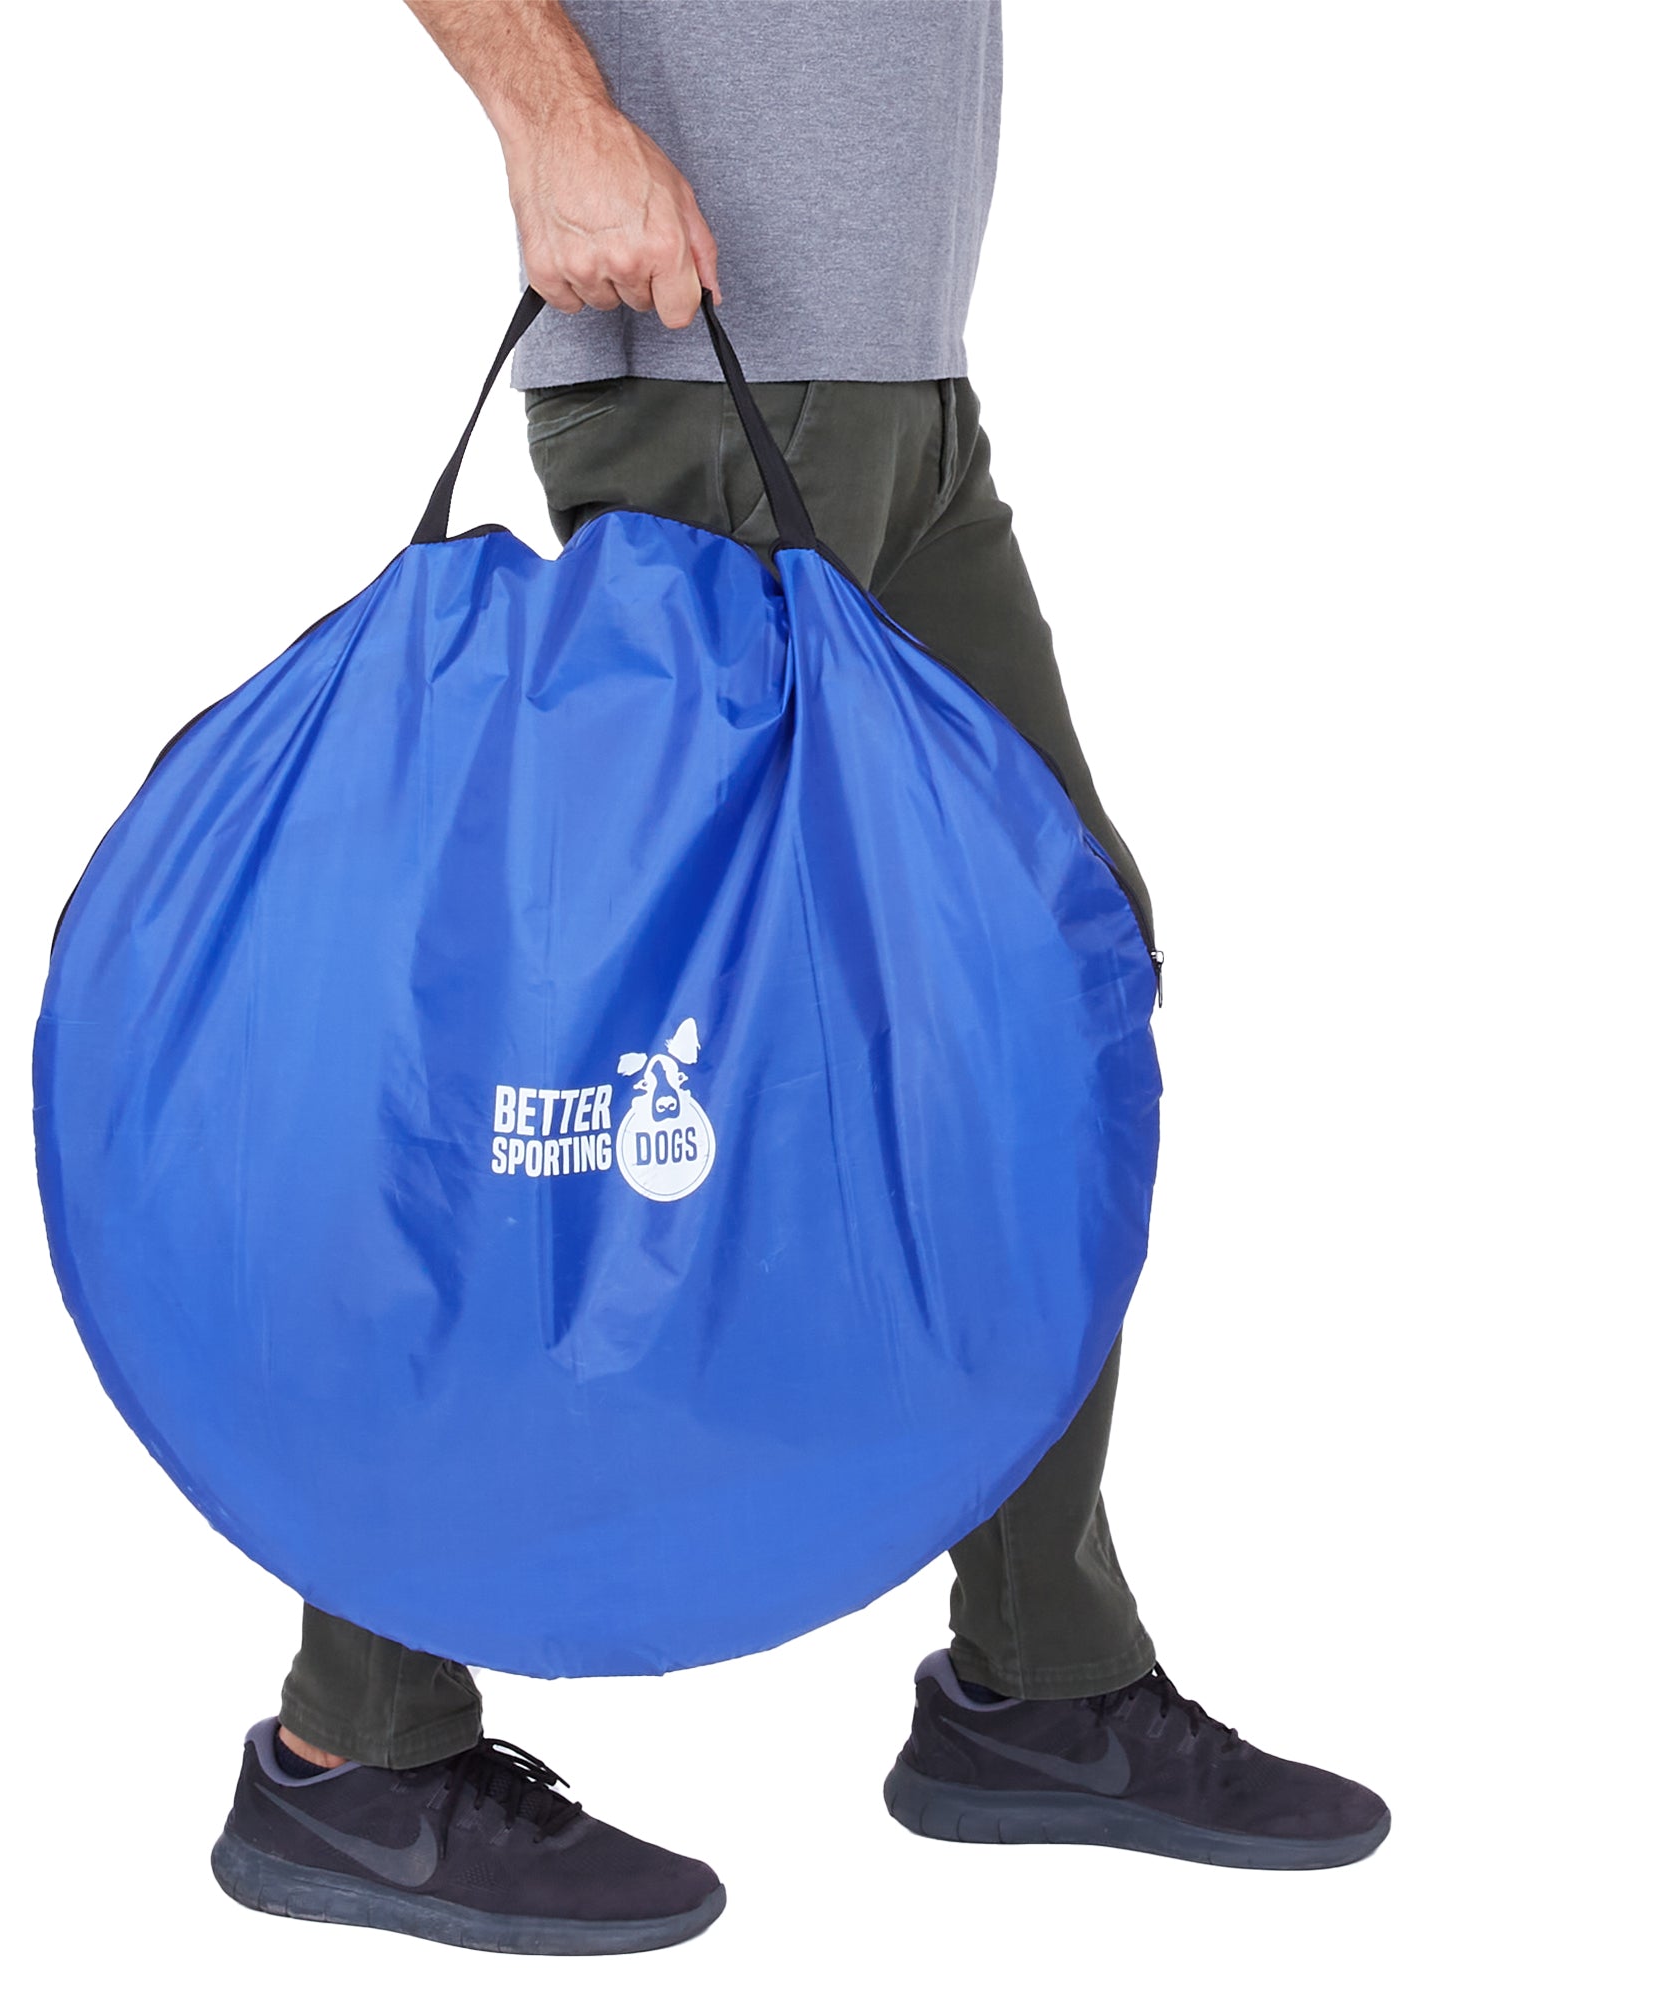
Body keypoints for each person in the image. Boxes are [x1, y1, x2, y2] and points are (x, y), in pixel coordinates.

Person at [208, 1, 1388, 1954]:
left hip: (898, 378)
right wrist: (553, 111)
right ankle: (361, 1748)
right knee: (591, 1065)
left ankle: (1044, 1678)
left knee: (1055, 984)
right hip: (708, 360)